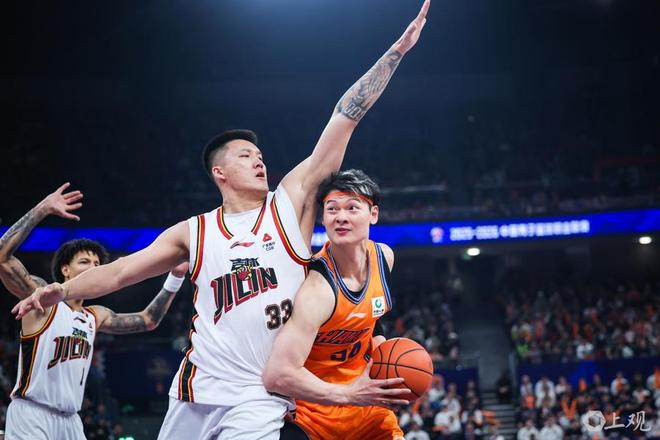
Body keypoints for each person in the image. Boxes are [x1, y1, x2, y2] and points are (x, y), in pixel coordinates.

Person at [14, 2, 431, 438]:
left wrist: (396, 53)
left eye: (261, 156)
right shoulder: (194, 231)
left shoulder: (289, 204)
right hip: (196, 389)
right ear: (220, 172)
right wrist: (63, 290)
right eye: (246, 156)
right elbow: (120, 272)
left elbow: (345, 118)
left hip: (260, 394)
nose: (259, 161)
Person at [0, 183, 186, 440]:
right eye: (84, 261)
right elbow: (2, 256)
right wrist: (43, 209)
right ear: (65, 270)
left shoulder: (94, 315)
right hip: (32, 413)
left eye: (97, 264)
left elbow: (148, 320)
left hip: (71, 420)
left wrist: (175, 278)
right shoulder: (42, 298)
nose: (92, 267)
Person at [263, 170, 407, 440]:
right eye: (332, 209)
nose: (341, 216)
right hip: (314, 415)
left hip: (368, 407)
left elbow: (370, 319)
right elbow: (277, 375)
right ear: (323, 218)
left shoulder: (384, 258)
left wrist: (386, 356)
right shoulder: (316, 289)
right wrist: (350, 394)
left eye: (352, 207)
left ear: (373, 214)